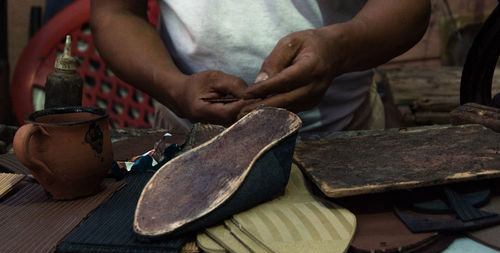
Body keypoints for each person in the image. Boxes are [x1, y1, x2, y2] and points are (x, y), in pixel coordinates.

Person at [90, 0, 430, 140]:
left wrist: (339, 49)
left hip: (343, 136)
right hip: (185, 138)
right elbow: (115, 13)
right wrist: (173, 87)